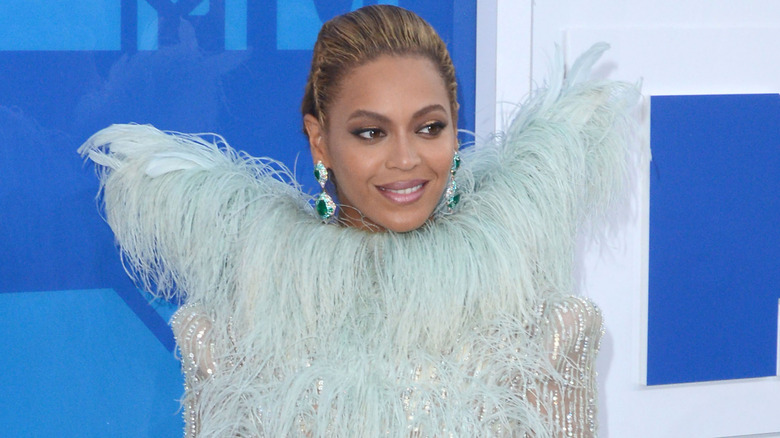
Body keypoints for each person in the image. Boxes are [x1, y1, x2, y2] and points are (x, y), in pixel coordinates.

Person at [80, 5, 637, 437]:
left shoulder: (543, 331)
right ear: (320, 140)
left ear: (455, 125)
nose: (405, 158)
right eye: (371, 132)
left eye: (429, 127)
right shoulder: (231, 334)